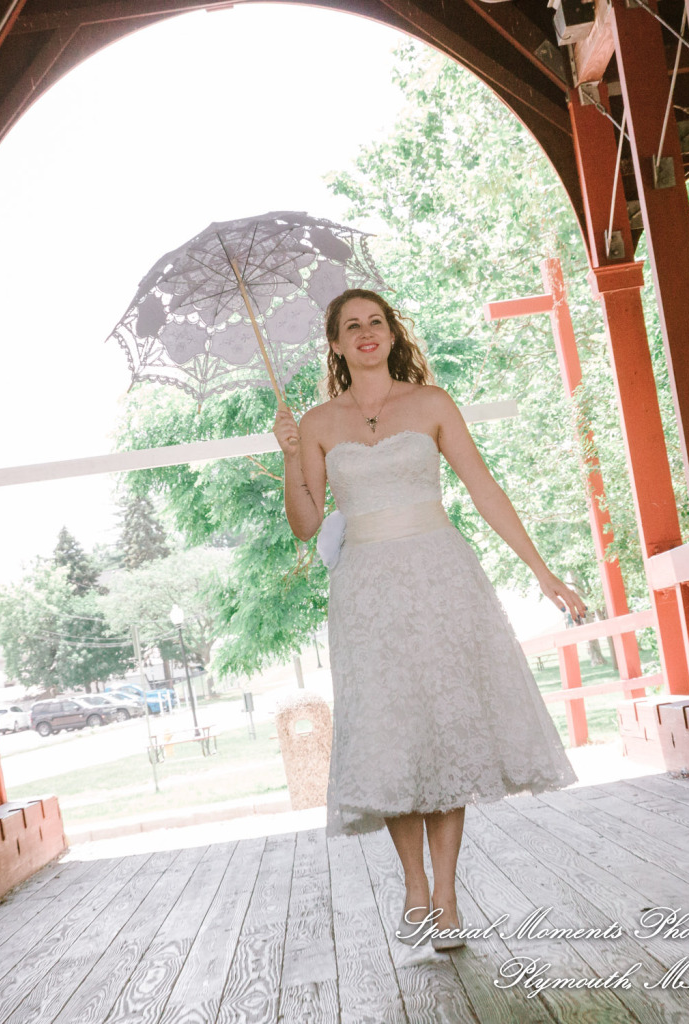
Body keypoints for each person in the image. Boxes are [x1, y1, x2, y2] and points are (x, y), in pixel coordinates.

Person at [273, 289, 586, 951]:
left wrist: (542, 570)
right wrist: (288, 454)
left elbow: (483, 486)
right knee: (395, 736)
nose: (365, 333)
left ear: (391, 334)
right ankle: (412, 885)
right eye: (351, 326)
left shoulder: (432, 404)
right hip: (366, 592)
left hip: (440, 577)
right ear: (334, 344)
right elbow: (305, 526)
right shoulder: (320, 423)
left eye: (375, 323)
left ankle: (444, 895)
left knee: (445, 732)